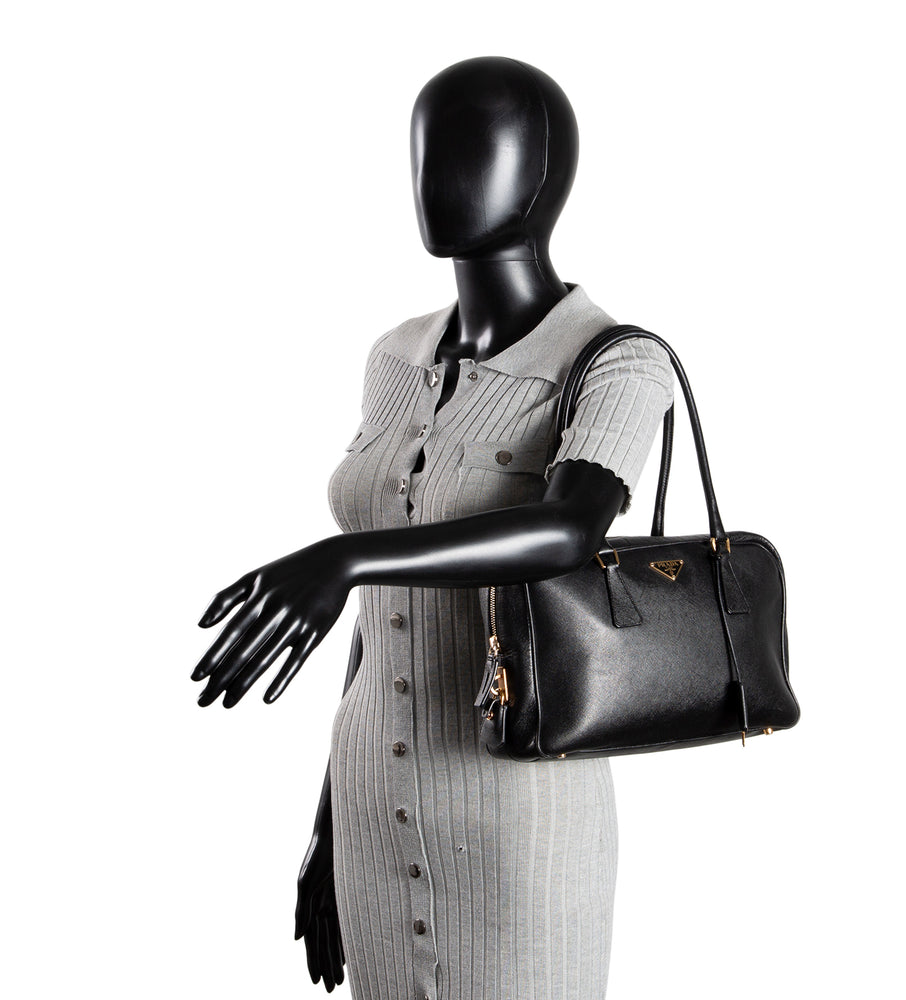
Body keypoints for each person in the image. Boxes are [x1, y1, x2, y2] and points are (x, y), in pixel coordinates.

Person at [192, 55, 675, 1000]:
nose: (435, 176)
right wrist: (329, 823)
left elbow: (567, 530)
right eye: (423, 149)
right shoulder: (394, 359)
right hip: (370, 804)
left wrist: (345, 556)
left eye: (468, 149)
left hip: (517, 813)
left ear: (542, 173)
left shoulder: (617, 362)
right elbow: (383, 624)